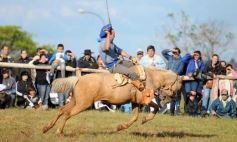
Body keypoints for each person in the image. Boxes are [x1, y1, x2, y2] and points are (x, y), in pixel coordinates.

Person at [98, 24, 144, 90]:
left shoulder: (112, 44)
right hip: (112, 66)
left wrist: (131, 57)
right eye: (113, 34)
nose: (114, 36)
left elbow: (121, 51)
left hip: (118, 62)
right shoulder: (102, 43)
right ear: (109, 34)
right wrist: (108, 34)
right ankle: (141, 90)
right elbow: (107, 48)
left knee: (135, 65)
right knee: (130, 72)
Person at [140, 45, 166, 113]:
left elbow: (164, 66)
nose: (150, 52)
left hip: (156, 79)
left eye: (152, 51)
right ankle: (147, 109)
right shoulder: (144, 59)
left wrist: (156, 66)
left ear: (154, 51)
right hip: (146, 79)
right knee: (147, 94)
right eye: (149, 51)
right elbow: (140, 67)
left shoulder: (158, 58)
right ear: (147, 52)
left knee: (155, 95)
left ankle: (158, 109)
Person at [162, 47, 184, 115]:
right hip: (166, 78)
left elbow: (180, 70)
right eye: (173, 52)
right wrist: (170, 50)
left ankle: (177, 109)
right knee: (165, 94)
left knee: (176, 95)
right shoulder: (170, 57)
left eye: (175, 52)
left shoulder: (181, 60)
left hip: (175, 79)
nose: (174, 53)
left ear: (179, 53)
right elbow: (163, 52)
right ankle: (167, 108)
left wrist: (172, 75)